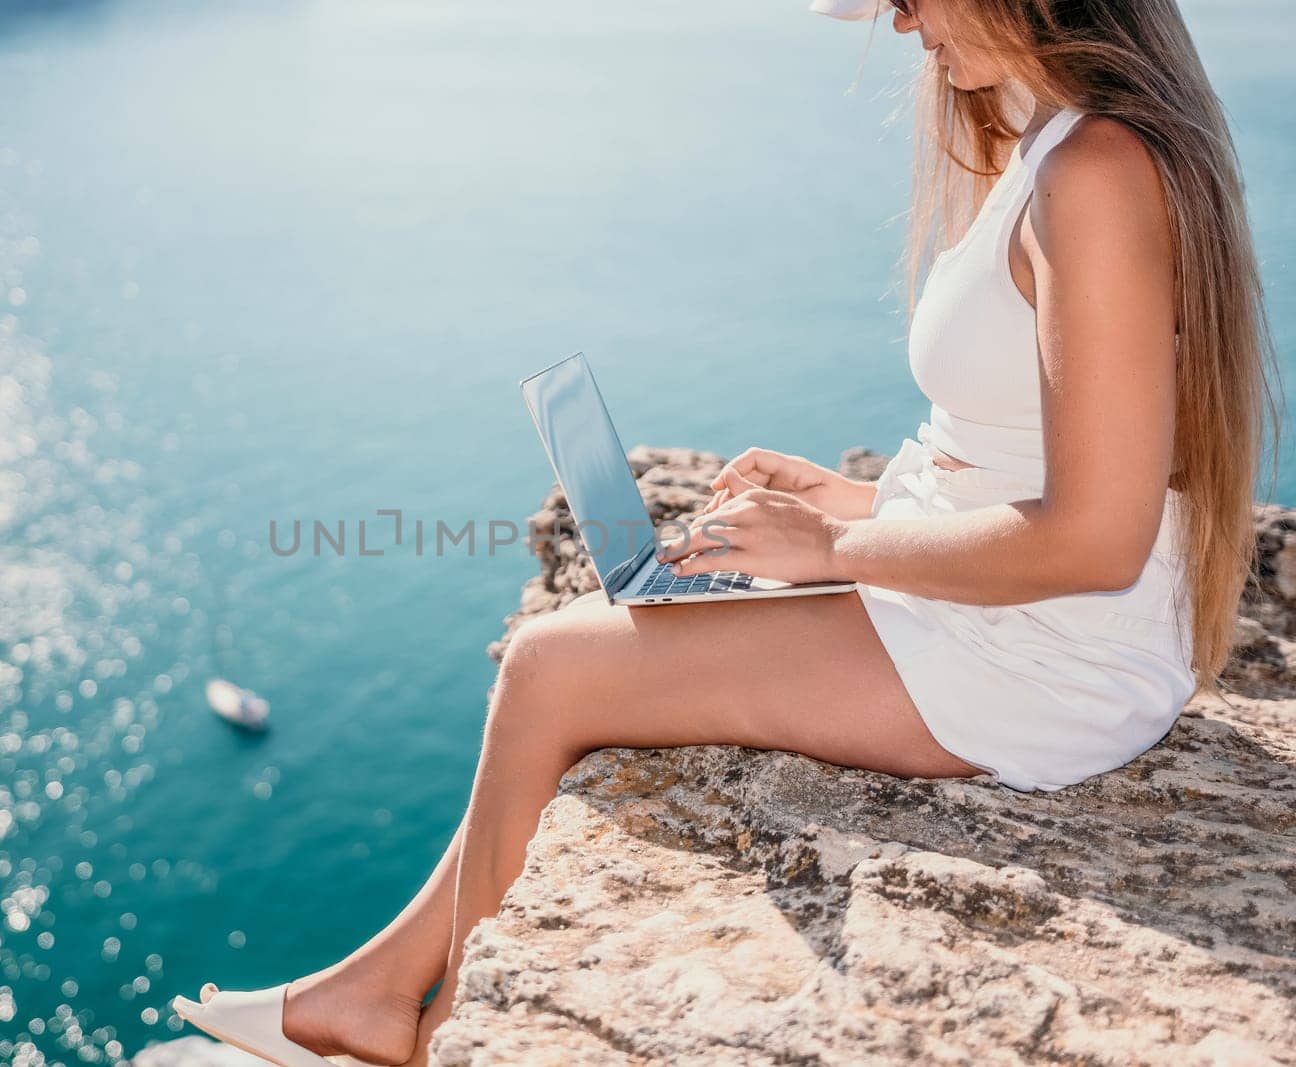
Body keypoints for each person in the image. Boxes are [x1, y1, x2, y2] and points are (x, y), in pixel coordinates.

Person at [174, 0, 1276, 1062]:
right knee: (581, 642)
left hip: (1049, 654)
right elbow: (1018, 450)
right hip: (1008, 616)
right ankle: (377, 988)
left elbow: (1094, 538)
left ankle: (428, 1021)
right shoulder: (1054, 145)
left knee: (554, 666)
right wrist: (851, 503)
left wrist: (834, 551)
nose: (899, 23)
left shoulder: (1093, 171)